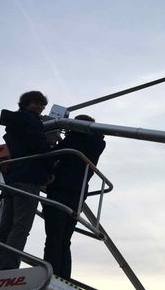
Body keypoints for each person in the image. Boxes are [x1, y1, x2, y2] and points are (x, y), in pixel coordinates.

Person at [0, 91, 53, 272]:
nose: (40, 108)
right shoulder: (32, 121)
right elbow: (39, 146)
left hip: (13, 177)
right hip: (29, 178)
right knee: (21, 225)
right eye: (37, 104)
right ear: (26, 103)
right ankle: (7, 267)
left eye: (42, 105)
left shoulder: (14, 122)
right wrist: (51, 161)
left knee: (4, 227)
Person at [43, 114, 106, 280]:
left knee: (53, 238)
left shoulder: (72, 140)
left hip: (60, 189)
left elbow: (51, 155)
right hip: (78, 193)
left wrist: (52, 132)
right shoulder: (97, 143)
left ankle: (50, 276)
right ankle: (63, 277)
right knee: (65, 239)